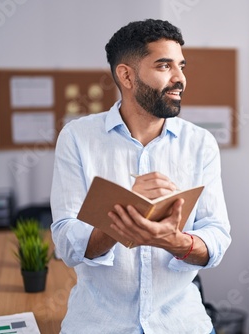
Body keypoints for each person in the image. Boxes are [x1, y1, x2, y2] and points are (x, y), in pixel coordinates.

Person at [50, 19, 231, 334]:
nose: (180, 79)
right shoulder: (77, 138)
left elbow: (217, 237)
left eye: (181, 66)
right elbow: (67, 242)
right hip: (99, 325)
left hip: (182, 324)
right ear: (126, 75)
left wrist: (173, 241)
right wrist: (125, 214)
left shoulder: (200, 143)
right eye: (164, 66)